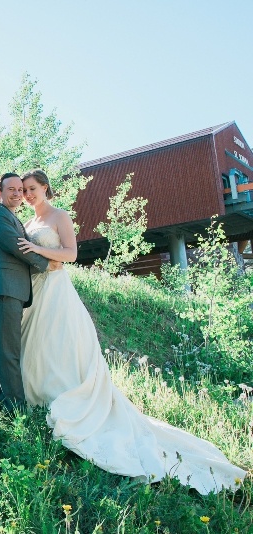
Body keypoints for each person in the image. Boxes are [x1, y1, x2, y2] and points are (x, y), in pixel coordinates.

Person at [17, 168, 247, 495]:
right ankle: (38, 400)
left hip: (56, 290)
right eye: (24, 190)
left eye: (32, 188)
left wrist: (39, 251)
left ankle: (68, 402)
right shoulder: (27, 224)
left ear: (45, 188)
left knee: (59, 345)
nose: (27, 194)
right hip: (34, 292)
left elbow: (71, 254)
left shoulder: (58, 216)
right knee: (37, 348)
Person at [0, 172, 57, 411]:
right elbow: (17, 246)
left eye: (19, 190)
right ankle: (16, 408)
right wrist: (47, 264)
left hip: (8, 288)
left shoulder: (12, 216)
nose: (17, 193)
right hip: (4, 287)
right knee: (9, 350)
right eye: (10, 189)